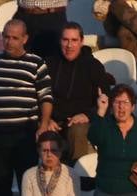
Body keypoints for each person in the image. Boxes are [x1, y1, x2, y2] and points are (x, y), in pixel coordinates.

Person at [0, 19, 53, 196]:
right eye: (6, 37)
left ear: (25, 39)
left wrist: (43, 125)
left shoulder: (36, 63)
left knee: (29, 188)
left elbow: (46, 98)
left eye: (15, 38)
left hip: (25, 133)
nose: (9, 42)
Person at [46, 22, 111, 163]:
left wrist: (87, 115)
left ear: (81, 42)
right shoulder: (49, 64)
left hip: (82, 121)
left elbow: (107, 99)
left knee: (77, 131)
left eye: (74, 40)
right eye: (65, 40)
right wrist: (46, 119)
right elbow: (39, 96)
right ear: (60, 41)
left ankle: (79, 176)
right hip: (54, 120)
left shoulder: (94, 66)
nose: (69, 45)